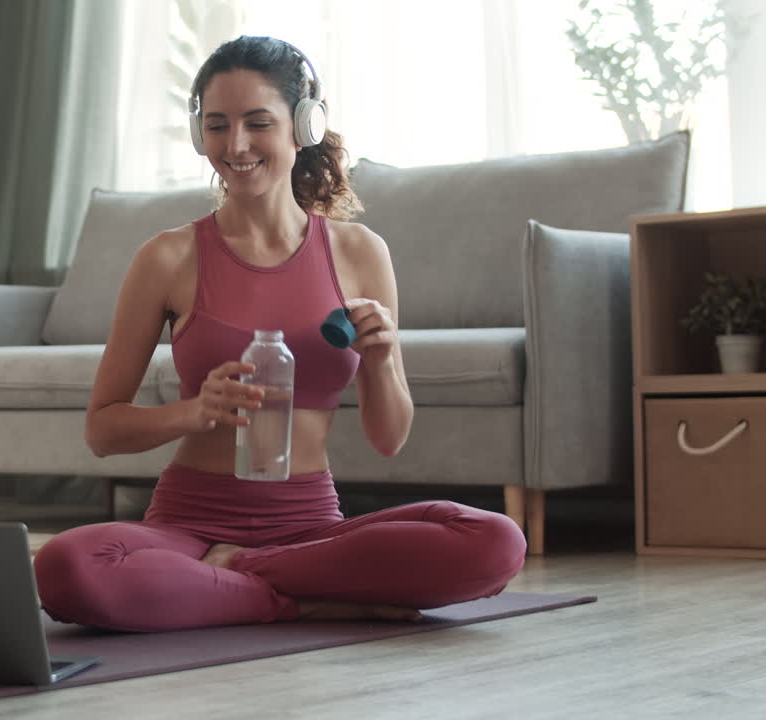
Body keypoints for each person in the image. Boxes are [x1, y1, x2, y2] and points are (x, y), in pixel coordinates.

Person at [33, 35, 526, 633]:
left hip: (310, 529)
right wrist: (192, 412)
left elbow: (389, 438)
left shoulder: (360, 254)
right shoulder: (167, 257)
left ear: (303, 127)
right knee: (66, 566)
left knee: (493, 541)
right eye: (216, 126)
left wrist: (383, 358)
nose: (235, 145)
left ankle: (238, 577)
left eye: (256, 123)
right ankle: (297, 600)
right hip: (185, 527)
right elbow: (102, 430)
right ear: (199, 135)